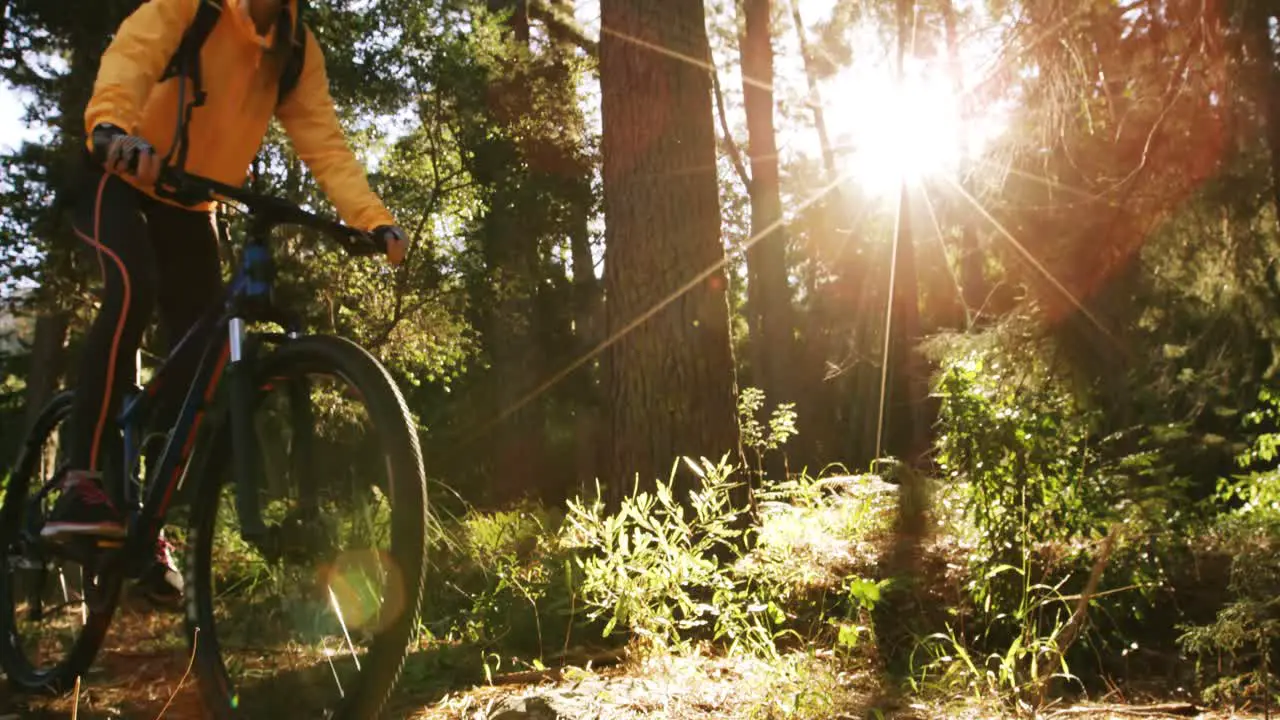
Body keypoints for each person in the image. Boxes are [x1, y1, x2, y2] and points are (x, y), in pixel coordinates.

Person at [39, 0, 409, 608]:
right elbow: (135, 54)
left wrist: (370, 220)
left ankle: (146, 524)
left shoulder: (293, 48)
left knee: (198, 367)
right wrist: (111, 127)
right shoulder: (194, 7)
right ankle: (80, 479)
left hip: (189, 205)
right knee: (132, 287)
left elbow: (324, 142)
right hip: (117, 174)